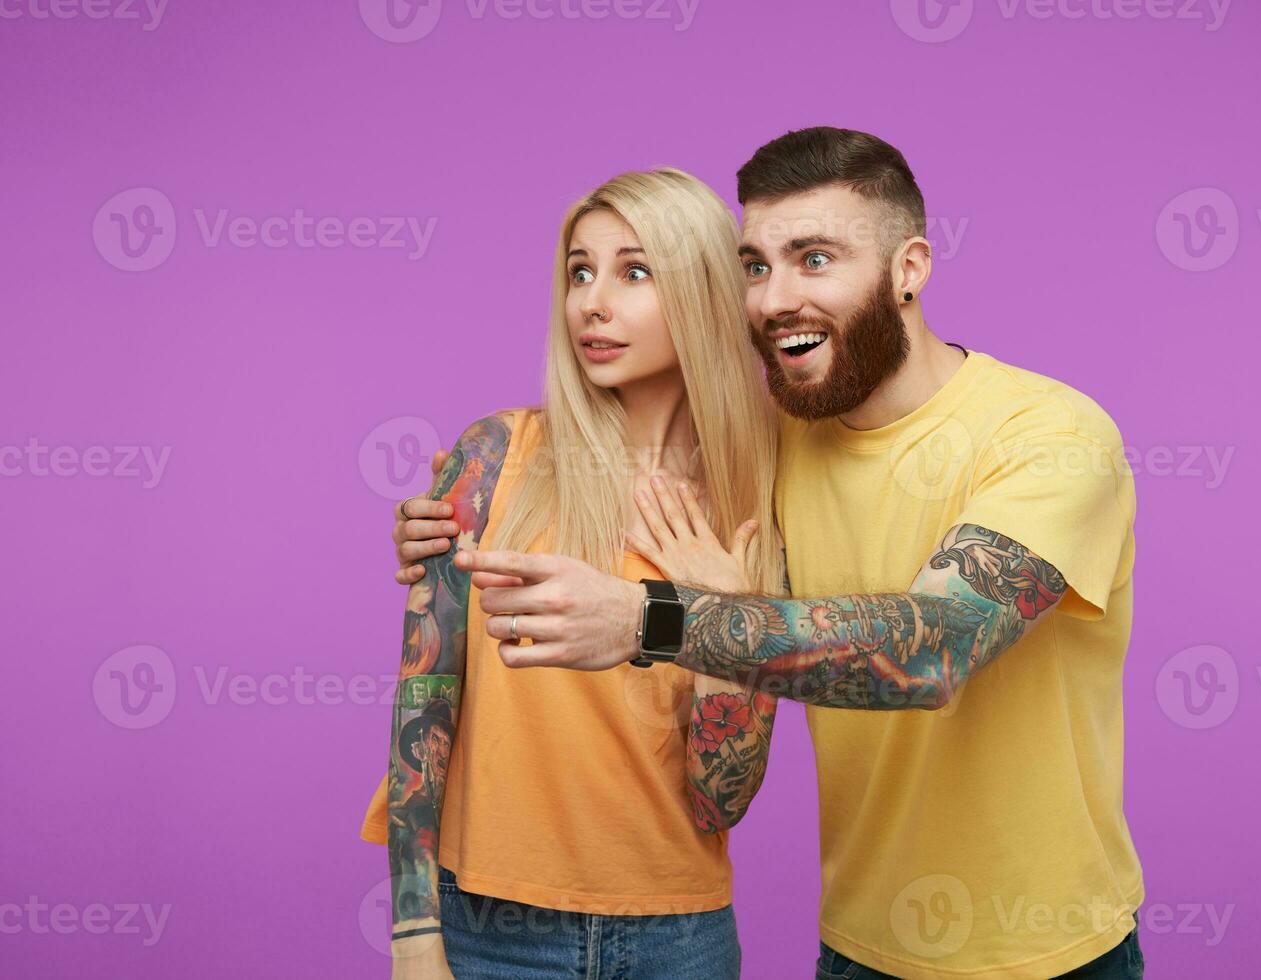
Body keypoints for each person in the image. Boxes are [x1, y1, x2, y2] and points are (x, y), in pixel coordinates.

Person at [395, 127, 1146, 979]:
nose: (774, 298)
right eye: (755, 266)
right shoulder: (777, 442)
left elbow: (935, 649)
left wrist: (662, 620)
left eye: (814, 258)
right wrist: (443, 519)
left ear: (909, 269)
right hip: (860, 947)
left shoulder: (1050, 436)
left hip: (1046, 954)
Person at [364, 167, 788, 980]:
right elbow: (425, 694)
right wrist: (413, 930)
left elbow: (719, 799)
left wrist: (725, 619)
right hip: (488, 930)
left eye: (634, 272)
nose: (593, 301)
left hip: (679, 938)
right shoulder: (495, 457)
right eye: (580, 272)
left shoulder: (760, 498)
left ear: (703, 293)